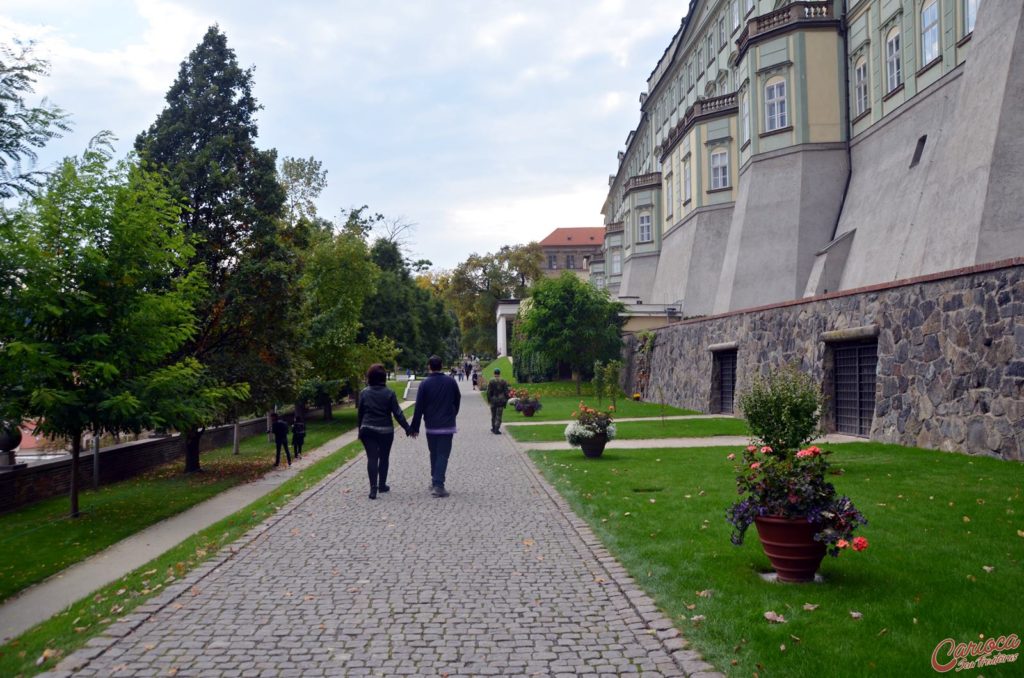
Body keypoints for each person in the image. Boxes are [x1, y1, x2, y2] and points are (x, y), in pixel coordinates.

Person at [357, 363, 412, 500]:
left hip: (367, 429)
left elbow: (361, 414)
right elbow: (398, 413)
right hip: (385, 431)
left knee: (372, 457)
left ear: (370, 377)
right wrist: (407, 428)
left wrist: (360, 430)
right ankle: (382, 485)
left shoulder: (364, 393)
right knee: (384, 457)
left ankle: (373, 489)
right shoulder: (389, 393)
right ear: (383, 377)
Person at [410, 355, 461, 498]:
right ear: (442, 365)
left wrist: (415, 427)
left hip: (431, 425)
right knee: (443, 454)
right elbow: (457, 399)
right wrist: (453, 413)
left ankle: (435, 480)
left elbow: (418, 407)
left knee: (434, 453)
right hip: (447, 425)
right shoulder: (450, 382)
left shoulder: (425, 384)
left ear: (429, 366)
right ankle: (438, 485)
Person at [486, 368, 511, 434]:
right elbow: (506, 392)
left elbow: (488, 392)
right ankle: (497, 428)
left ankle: (493, 427)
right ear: (499, 373)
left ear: (494, 373)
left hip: (493, 400)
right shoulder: (503, 381)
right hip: (501, 400)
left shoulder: (491, 381)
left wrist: (489, 400)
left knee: (493, 415)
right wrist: (507, 398)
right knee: (499, 415)